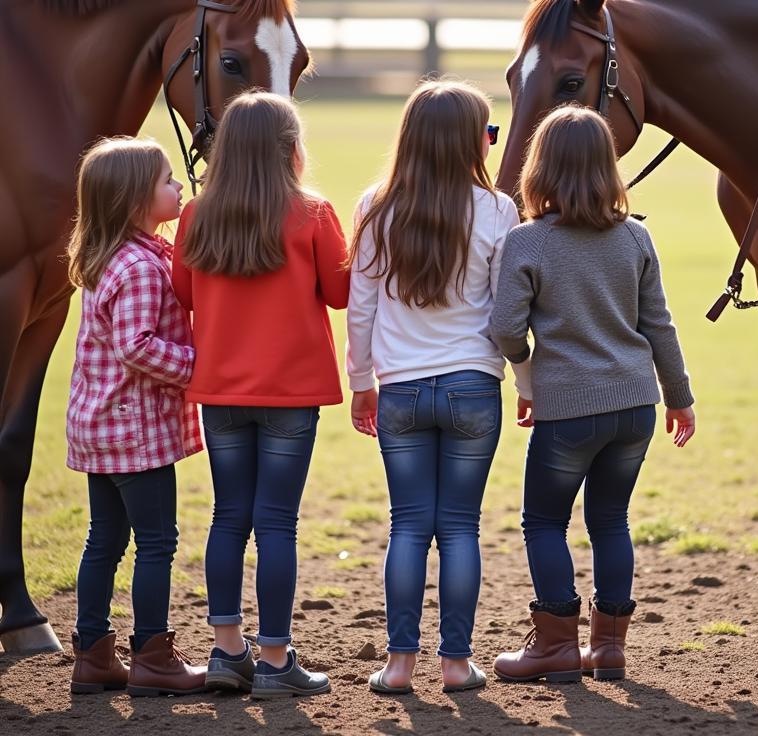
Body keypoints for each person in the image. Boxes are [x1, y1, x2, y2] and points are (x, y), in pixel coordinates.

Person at [490, 105, 696, 684]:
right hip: (636, 406)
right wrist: (679, 396)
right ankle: (608, 650)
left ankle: (555, 644)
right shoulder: (636, 236)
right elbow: (660, 325)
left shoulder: (527, 241)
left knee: (544, 522)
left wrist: (527, 369)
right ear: (608, 169)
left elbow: (505, 327)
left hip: (568, 409)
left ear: (540, 168)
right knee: (611, 520)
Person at [172, 91, 349, 699]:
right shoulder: (313, 212)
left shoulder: (196, 214)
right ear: (289, 149)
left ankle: (226, 653)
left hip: (221, 391)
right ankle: (275, 660)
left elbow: (186, 295)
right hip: (289, 395)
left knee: (228, 516)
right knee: (277, 524)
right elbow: (341, 292)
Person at [346, 79, 520, 695]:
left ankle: (398, 666)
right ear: (473, 141)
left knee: (408, 526)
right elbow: (508, 314)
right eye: (489, 132)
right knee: (461, 528)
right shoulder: (499, 210)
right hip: (475, 384)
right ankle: (455, 663)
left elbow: (360, 306)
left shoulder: (375, 204)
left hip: (401, 392)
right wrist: (524, 382)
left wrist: (360, 384)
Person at [66, 137, 205, 697]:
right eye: (167, 180)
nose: (177, 187)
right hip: (134, 429)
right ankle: (152, 655)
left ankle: (93, 654)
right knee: (156, 542)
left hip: (100, 424)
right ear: (132, 200)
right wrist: (202, 365)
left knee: (104, 539)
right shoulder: (140, 268)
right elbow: (138, 346)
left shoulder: (112, 257)